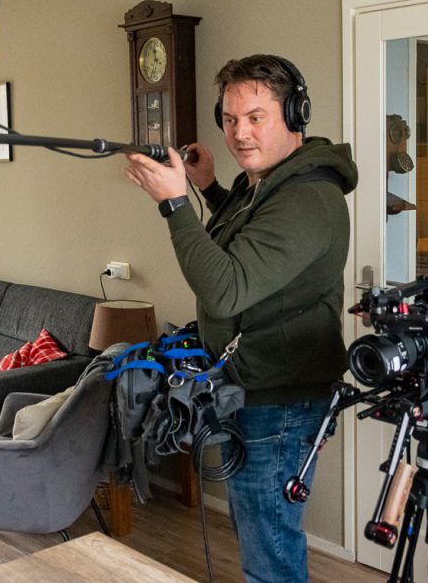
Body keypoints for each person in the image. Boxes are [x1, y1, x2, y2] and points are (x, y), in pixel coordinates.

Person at [123, 54, 357, 583]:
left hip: (278, 405)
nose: (239, 133)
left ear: (295, 115)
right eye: (229, 119)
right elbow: (249, 245)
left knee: (269, 550)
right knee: (259, 535)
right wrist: (208, 188)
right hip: (250, 392)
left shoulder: (307, 198)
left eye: (255, 117)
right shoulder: (267, 184)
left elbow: (226, 289)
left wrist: (175, 205)